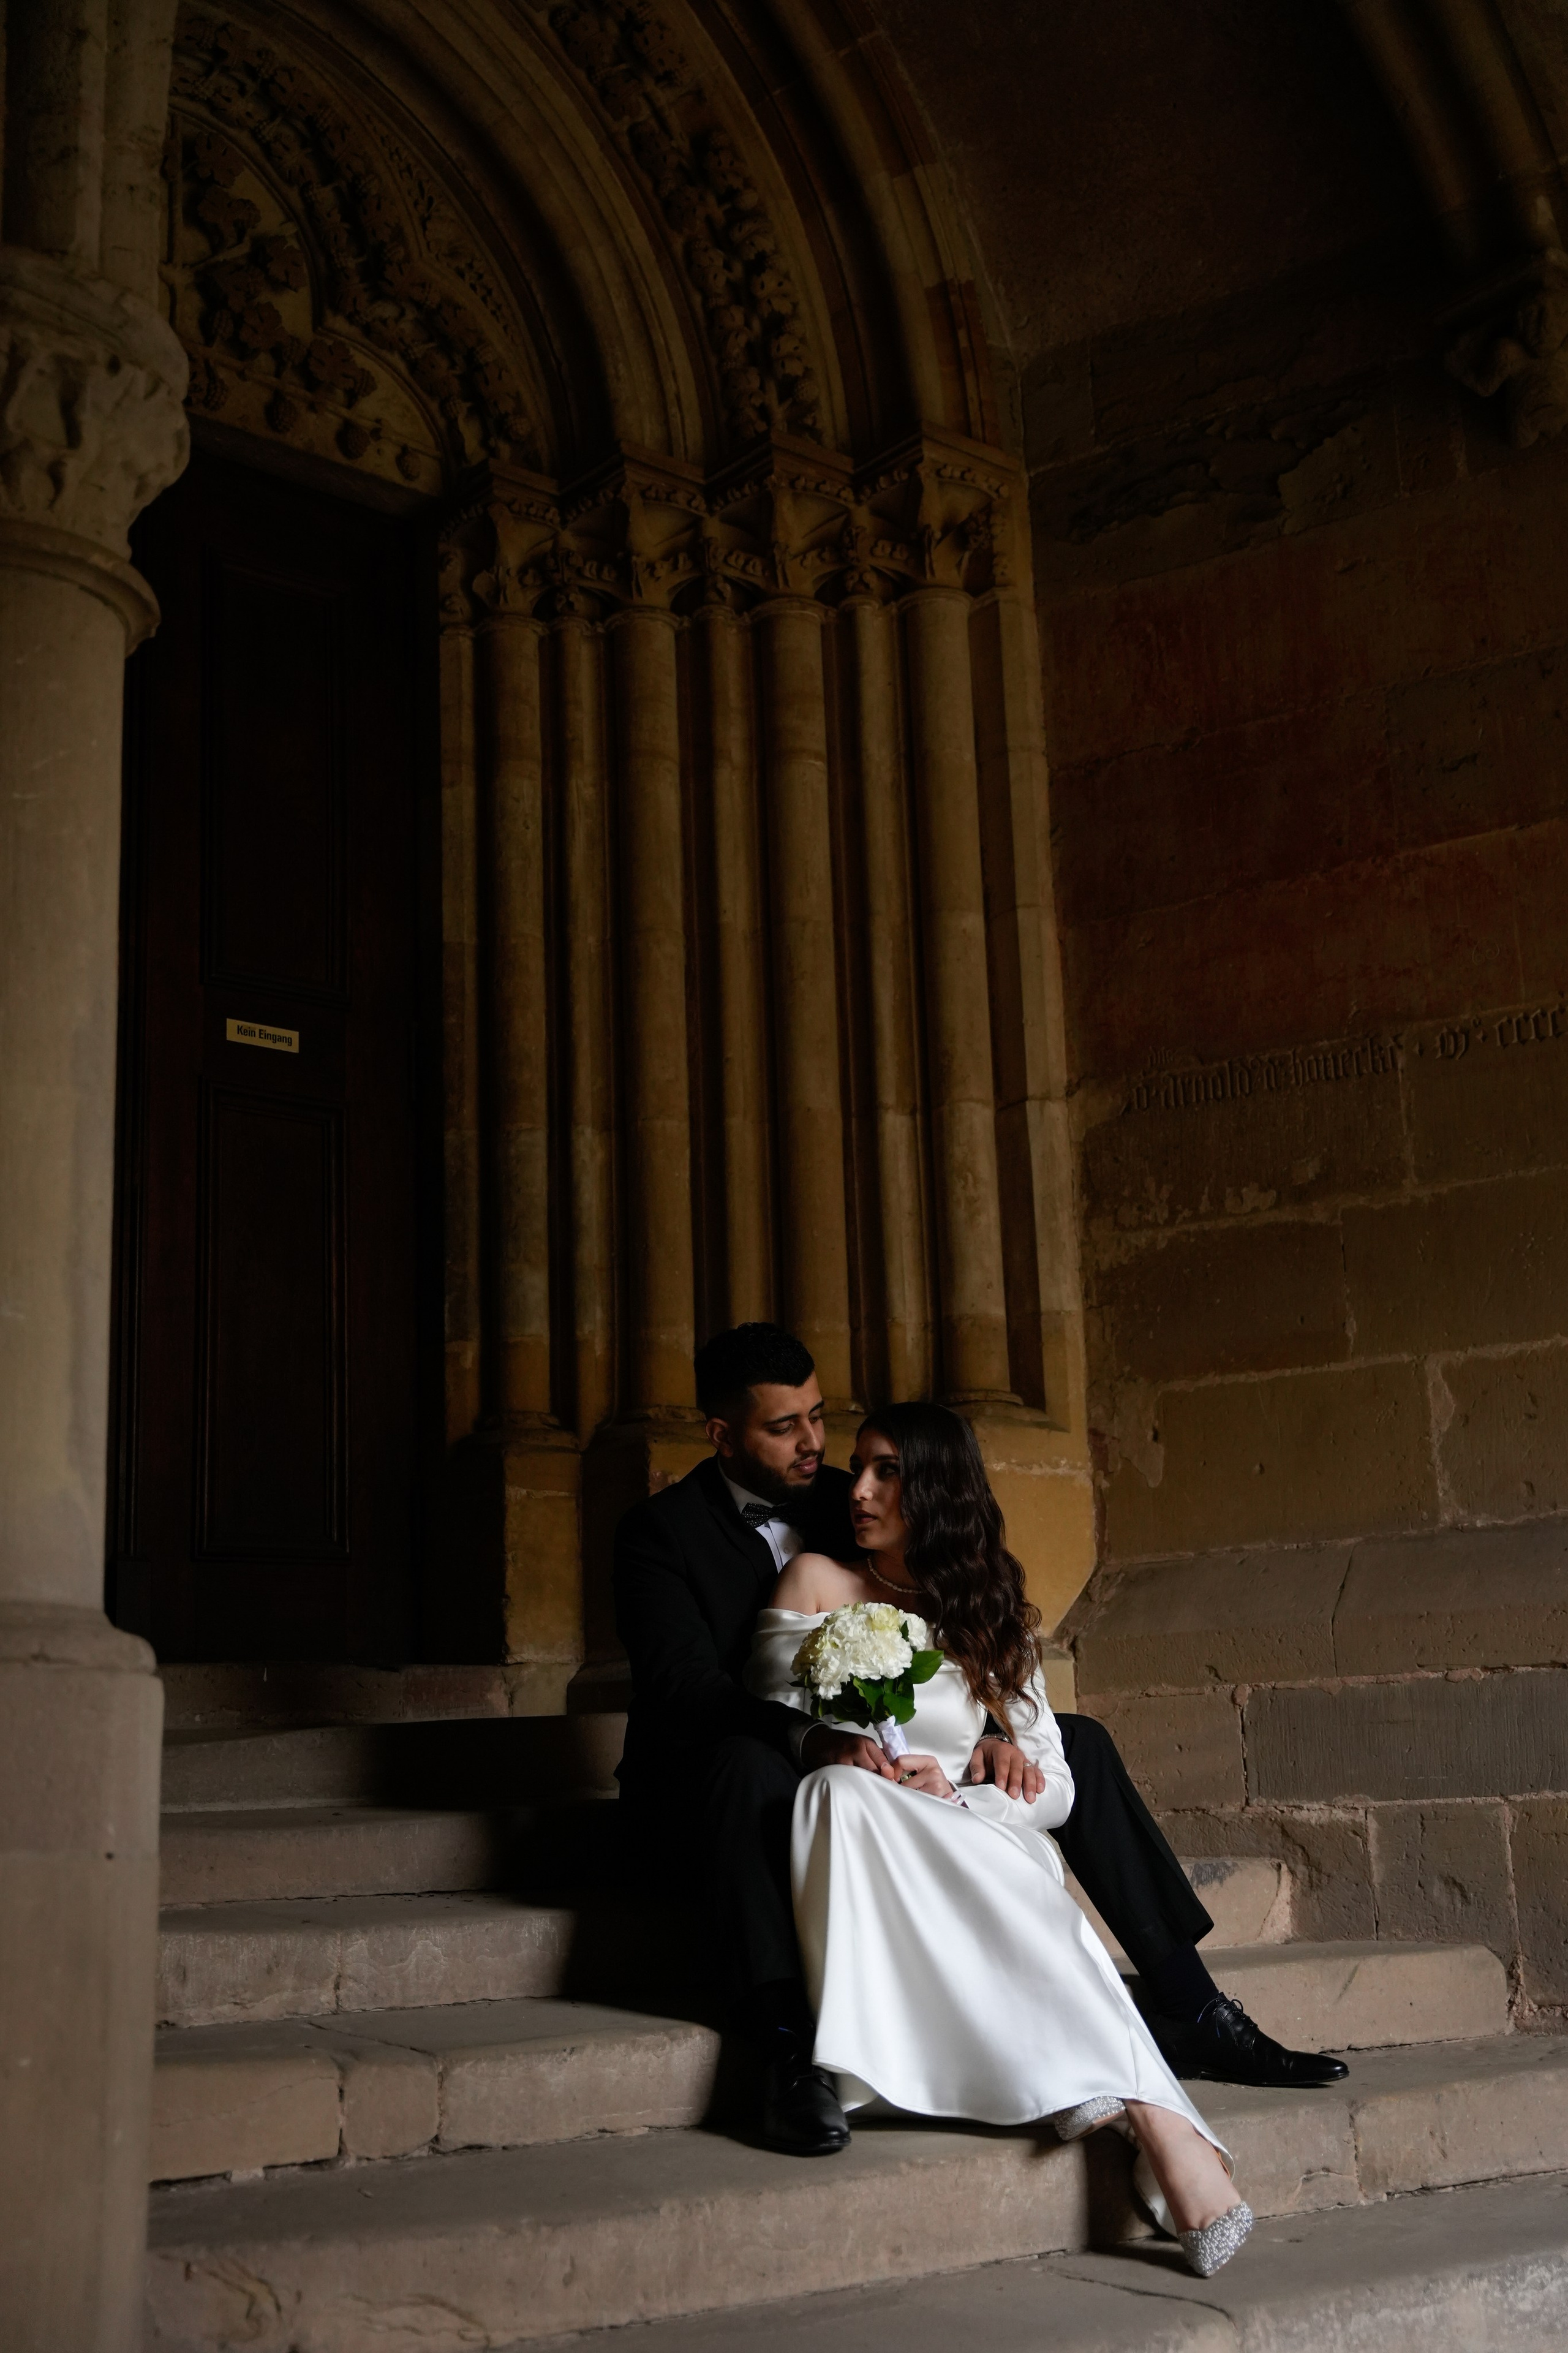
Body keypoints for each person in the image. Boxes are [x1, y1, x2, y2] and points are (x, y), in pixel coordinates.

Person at [612, 1321, 1345, 2164]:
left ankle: (1189, 2000)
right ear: (722, 1435)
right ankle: (789, 2048)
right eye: (785, 1428)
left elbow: (947, 1612)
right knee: (752, 1767)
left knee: (1081, 1741)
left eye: (819, 1417)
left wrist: (989, 1735)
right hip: (727, 1760)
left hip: (884, 1749)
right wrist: (817, 1739)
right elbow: (688, 1694)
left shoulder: (848, 1490)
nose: (818, 1447)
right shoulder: (659, 1534)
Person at [745, 1400, 1250, 2275]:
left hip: (970, 1835)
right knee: (839, 1793)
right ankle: (1154, 2112)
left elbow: (1056, 1786)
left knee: (986, 1848)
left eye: (887, 1470)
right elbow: (757, 1722)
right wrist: (820, 1740)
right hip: (869, 1838)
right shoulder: (814, 1582)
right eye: (859, 1466)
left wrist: (980, 1779)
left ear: (938, 1489)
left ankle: (1136, 2102)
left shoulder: (989, 1616)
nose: (858, 1489)